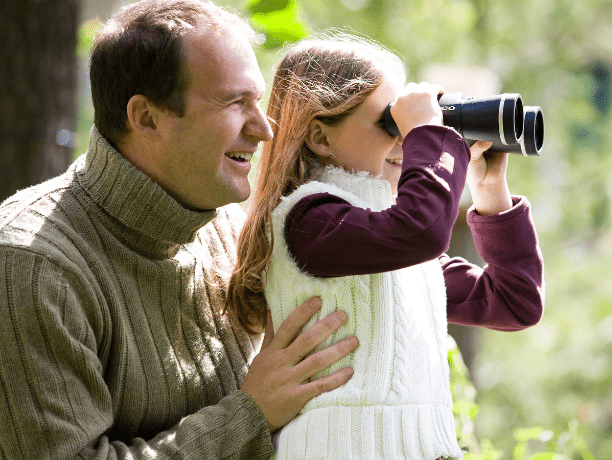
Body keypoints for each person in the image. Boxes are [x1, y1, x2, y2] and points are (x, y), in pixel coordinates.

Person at [0, 1, 359, 458]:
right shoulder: (32, 268)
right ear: (146, 117)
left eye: (258, 100)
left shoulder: (233, 226)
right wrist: (250, 415)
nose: (264, 130)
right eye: (235, 102)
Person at [225, 35, 545, 460]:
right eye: (392, 124)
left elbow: (514, 301)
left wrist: (488, 187)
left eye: (408, 128)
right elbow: (419, 231)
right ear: (320, 137)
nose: (405, 142)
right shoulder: (310, 222)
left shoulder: (394, 248)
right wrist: (430, 135)